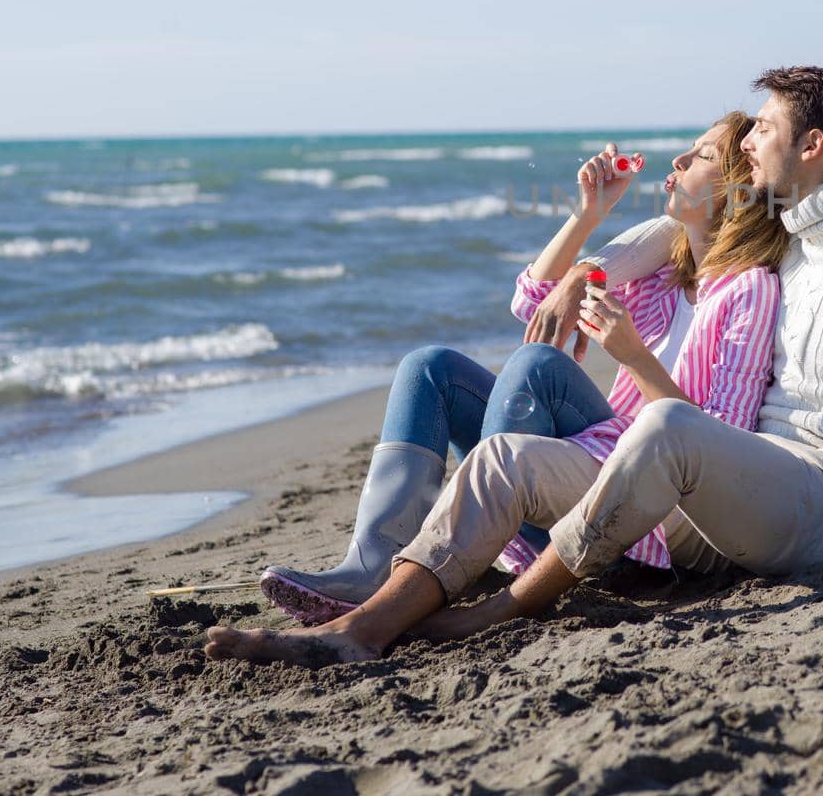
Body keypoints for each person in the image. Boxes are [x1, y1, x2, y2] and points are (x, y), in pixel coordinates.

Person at [205, 66, 823, 668]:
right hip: (726, 493)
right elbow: (661, 242)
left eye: (766, 134)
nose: (749, 146)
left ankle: (508, 605)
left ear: (816, 147)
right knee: (501, 457)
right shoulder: (787, 247)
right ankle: (365, 627)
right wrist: (590, 259)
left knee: (663, 422)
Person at [258, 111, 786, 624]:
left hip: (637, 508)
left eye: (704, 155)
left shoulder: (748, 290)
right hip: (584, 464)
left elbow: (718, 445)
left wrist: (633, 356)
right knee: (430, 369)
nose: (680, 157)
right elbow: (535, 307)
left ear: (735, 190)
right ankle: (372, 566)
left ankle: (469, 556)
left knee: (537, 364)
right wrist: (588, 215)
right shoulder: (660, 276)